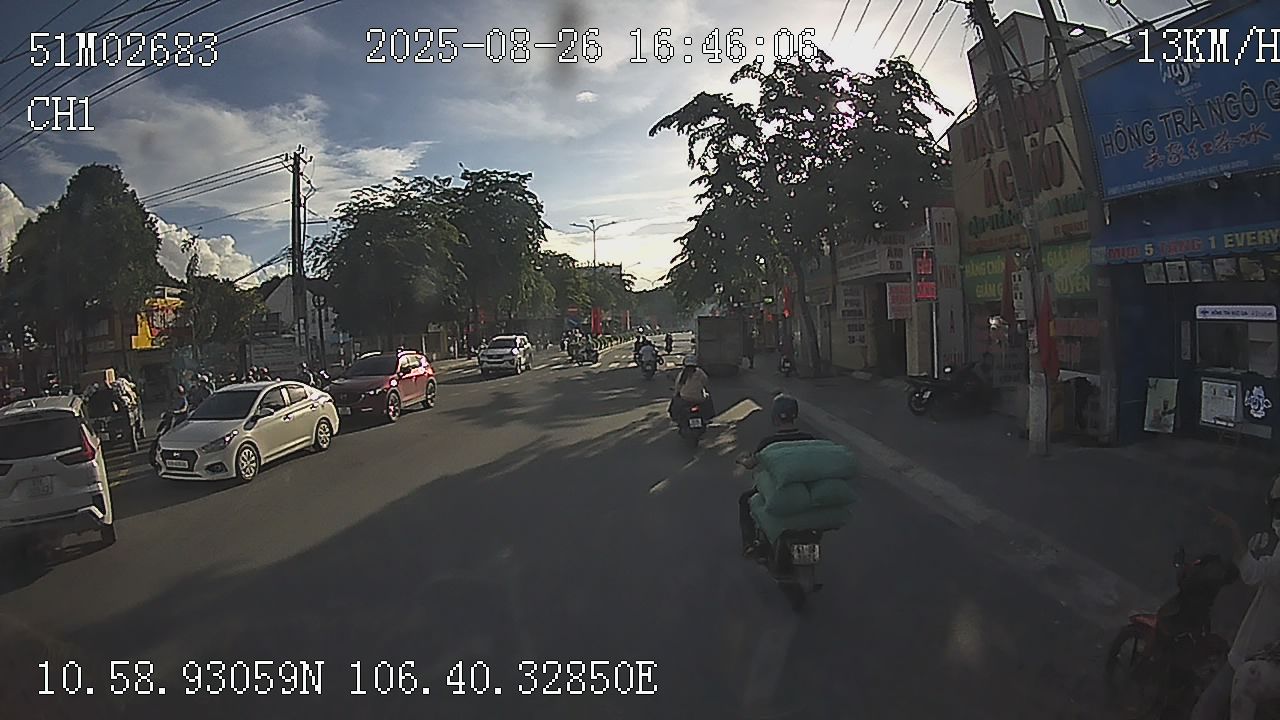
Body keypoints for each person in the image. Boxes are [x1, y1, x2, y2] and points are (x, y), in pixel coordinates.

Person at [1193, 481, 1280, 720]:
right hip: (1258, 647)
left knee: (1204, 711)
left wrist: (1233, 529)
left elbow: (1253, 573)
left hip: (1256, 651)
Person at [734, 394, 817, 558]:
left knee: (745, 500)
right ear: (795, 414)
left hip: (777, 490)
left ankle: (749, 544)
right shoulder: (808, 439)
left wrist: (741, 460)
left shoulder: (769, 442)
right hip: (805, 490)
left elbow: (752, 463)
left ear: (775, 417)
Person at [669, 355, 713, 422]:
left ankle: (676, 418)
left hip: (685, 398)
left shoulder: (682, 374)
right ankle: (708, 417)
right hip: (699, 398)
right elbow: (705, 381)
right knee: (708, 398)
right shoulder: (700, 372)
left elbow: (678, 386)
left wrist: (676, 393)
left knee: (675, 402)